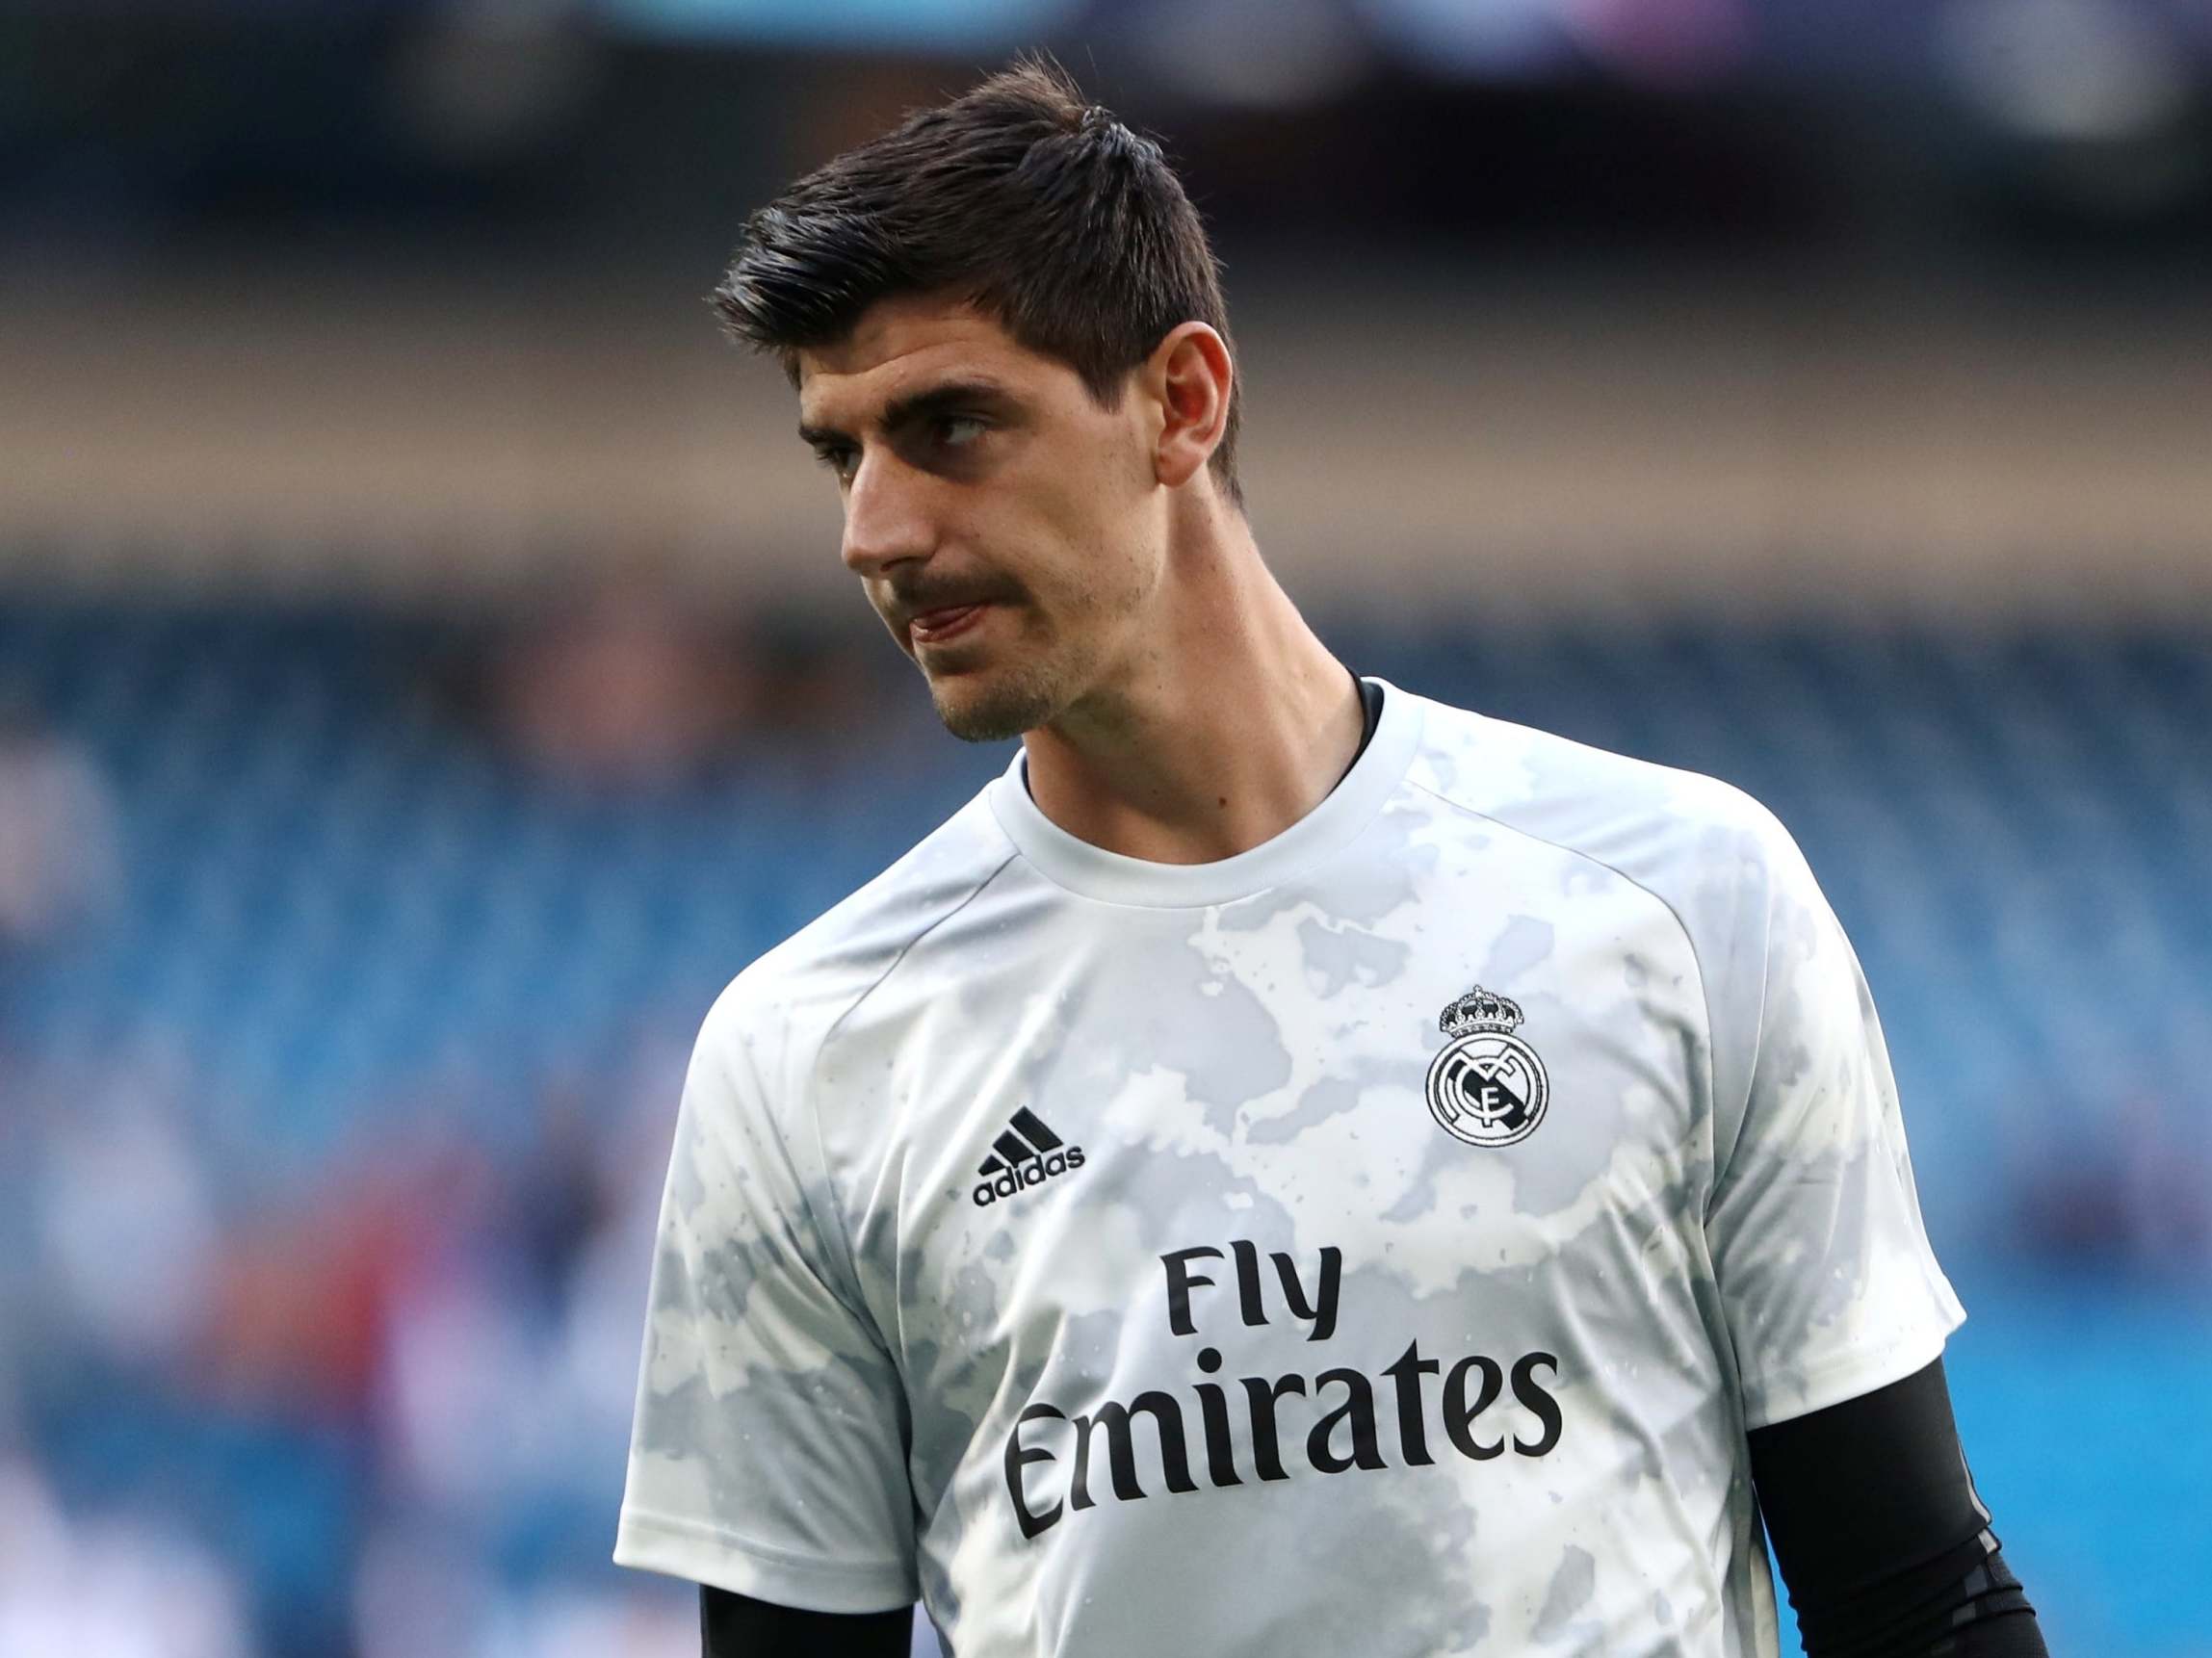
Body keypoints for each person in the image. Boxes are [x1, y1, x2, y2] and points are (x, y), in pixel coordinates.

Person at [614, 60, 2048, 1658]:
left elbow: (1915, 1597)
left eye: (950, 426)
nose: (872, 530)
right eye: (841, 452)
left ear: (1181, 399)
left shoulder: (1679, 899)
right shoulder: (808, 1054)